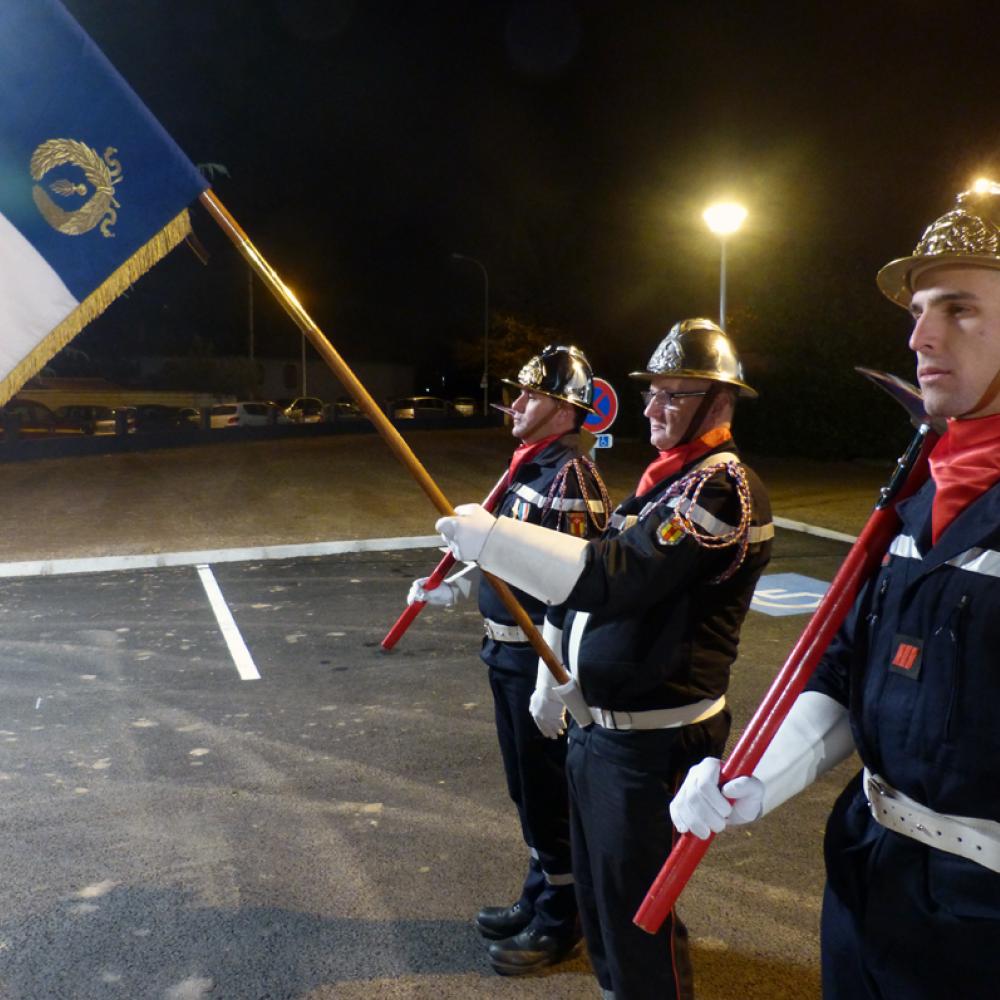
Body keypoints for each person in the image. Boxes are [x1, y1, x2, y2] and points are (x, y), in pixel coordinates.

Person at [670, 186, 1000, 998]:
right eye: (919, 310)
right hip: (867, 879)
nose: (919, 336)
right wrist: (753, 778)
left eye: (958, 309)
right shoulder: (919, 501)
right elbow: (847, 669)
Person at [436, 319, 773, 1000]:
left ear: (721, 403)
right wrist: (556, 672)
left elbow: (613, 575)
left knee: (639, 920)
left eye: (673, 397)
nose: (651, 409)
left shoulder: (722, 490)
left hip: (655, 743)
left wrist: (496, 540)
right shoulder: (663, 483)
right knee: (601, 905)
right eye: (653, 394)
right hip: (604, 731)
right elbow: (585, 600)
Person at [408, 344, 611, 975]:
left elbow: (577, 588)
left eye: (529, 395)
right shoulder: (526, 468)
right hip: (505, 654)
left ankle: (563, 919)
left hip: (537, 666)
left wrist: (559, 678)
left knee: (551, 795)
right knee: (526, 791)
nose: (514, 405)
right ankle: (540, 891)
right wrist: (458, 587)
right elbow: (502, 558)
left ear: (563, 409)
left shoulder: (571, 477)